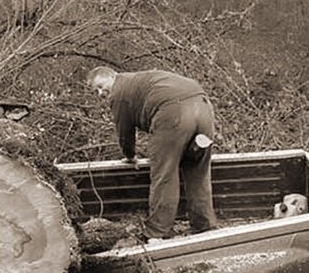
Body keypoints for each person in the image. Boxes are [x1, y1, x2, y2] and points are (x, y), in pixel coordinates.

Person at [86, 66, 217, 240]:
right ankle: (204, 226)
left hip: (174, 114)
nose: (102, 93)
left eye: (102, 86)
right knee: (198, 170)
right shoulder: (138, 79)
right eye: (97, 91)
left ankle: (157, 231)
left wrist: (130, 156)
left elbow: (124, 131)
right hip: (204, 108)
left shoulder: (119, 93)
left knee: (164, 174)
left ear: (112, 77)